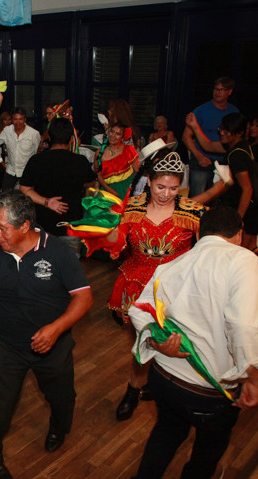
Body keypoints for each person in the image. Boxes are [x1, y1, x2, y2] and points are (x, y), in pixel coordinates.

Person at [119, 206, 258, 479]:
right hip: (210, 391)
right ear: (238, 234)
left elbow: (139, 310)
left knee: (166, 431)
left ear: (199, 233)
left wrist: (157, 344)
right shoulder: (244, 261)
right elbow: (243, 326)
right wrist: (254, 377)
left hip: (164, 379)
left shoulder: (172, 264)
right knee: (211, 441)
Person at [0, 190, 94, 479]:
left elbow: (84, 298)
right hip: (8, 344)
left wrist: (56, 328)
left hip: (53, 345)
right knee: (0, 404)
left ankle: (59, 428)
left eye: (2, 228)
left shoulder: (57, 252)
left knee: (61, 397)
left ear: (24, 226)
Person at [83, 152, 206, 420]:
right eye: (161, 186)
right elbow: (117, 241)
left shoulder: (192, 212)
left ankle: (160, 385)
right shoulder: (132, 207)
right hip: (137, 285)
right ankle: (134, 388)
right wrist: (105, 226)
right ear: (149, 181)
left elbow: (207, 249)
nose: (166, 194)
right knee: (143, 341)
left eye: (173, 188)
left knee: (175, 340)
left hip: (175, 287)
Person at [185, 112, 258, 251]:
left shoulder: (237, 154)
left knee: (236, 250)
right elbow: (208, 145)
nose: (222, 133)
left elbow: (247, 189)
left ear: (238, 133)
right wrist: (195, 126)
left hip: (242, 207)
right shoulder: (237, 146)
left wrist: (237, 219)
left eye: (227, 130)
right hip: (243, 205)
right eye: (221, 129)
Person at [19, 117, 96, 254]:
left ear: (49, 137)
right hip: (71, 226)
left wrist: (46, 202)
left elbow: (24, 189)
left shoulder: (36, 161)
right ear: (71, 139)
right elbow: (91, 182)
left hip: (43, 225)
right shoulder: (80, 161)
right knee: (69, 265)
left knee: (41, 264)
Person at [182, 77, 239, 195]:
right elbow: (186, 137)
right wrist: (199, 156)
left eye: (221, 90)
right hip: (202, 161)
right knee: (198, 196)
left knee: (219, 196)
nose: (217, 92)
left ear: (229, 92)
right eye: (216, 89)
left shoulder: (233, 112)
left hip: (223, 162)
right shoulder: (201, 110)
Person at [0, 107, 41, 192]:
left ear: (25, 119)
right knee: (5, 196)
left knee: (26, 196)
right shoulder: (7, 130)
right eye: (15, 119)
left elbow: (36, 152)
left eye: (20, 119)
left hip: (26, 172)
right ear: (12, 120)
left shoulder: (34, 134)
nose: (18, 122)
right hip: (10, 171)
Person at [94, 122, 140, 199]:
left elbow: (138, 171)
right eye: (112, 132)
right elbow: (98, 174)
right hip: (108, 189)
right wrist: (109, 189)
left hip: (126, 188)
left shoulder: (128, 150)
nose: (113, 135)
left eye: (118, 134)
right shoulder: (99, 153)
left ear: (122, 137)